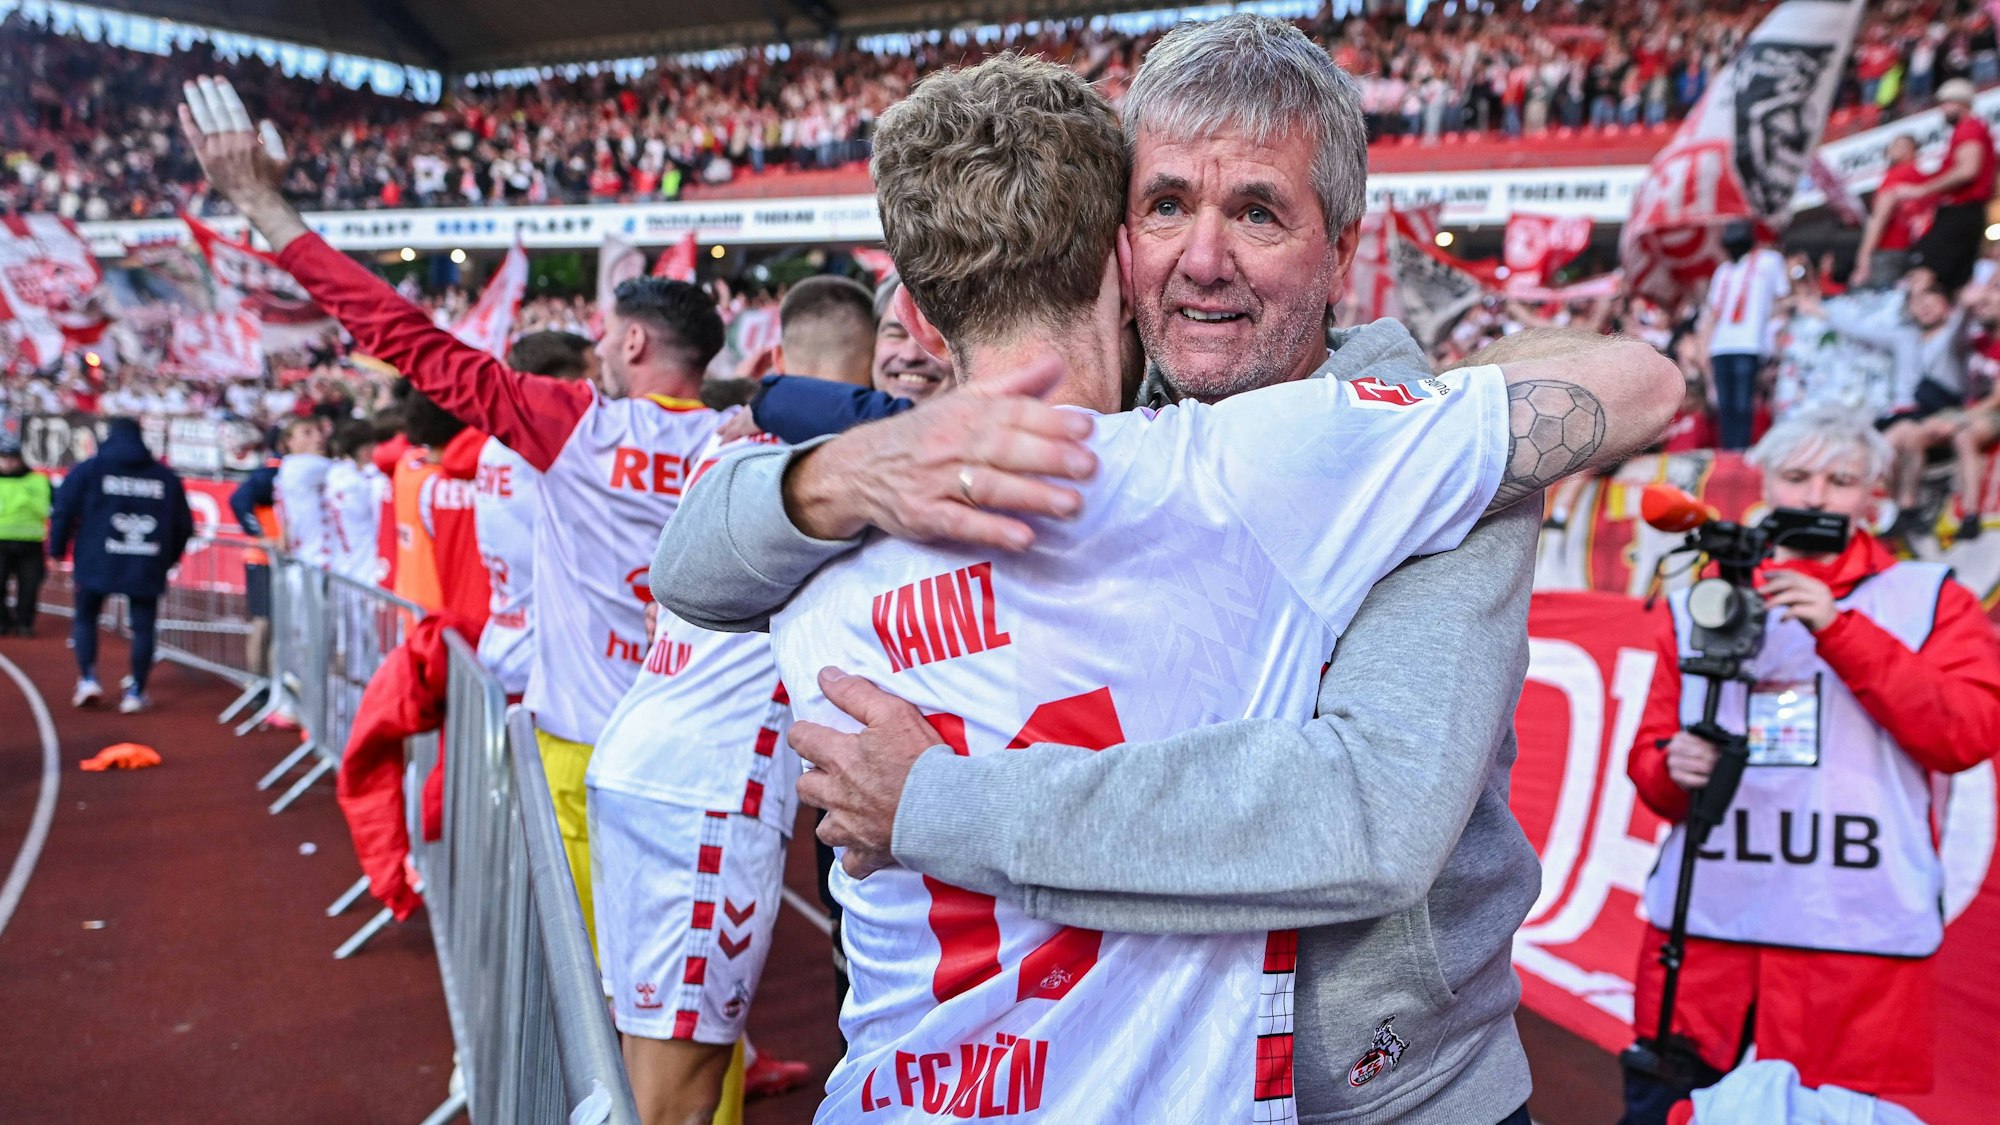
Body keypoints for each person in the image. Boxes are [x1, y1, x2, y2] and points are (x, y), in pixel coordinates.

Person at [658, 29, 1676, 1123]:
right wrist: (842, 476)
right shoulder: (1096, 436)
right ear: (1113, 245)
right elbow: (692, 564)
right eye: (1165, 205)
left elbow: (1368, 820)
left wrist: (937, 804)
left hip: (1389, 1101)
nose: (1201, 258)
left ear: (1340, 255)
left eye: (1255, 212)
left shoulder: (1430, 471)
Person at [178, 74, 728, 939]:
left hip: (584, 745)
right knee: (694, 992)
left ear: (629, 341)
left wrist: (263, 206)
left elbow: (402, 334)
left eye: (597, 335)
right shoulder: (749, 442)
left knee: (586, 983)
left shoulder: (570, 424)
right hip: (707, 753)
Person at [1619, 405, 2000, 1124]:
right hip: (1706, 946)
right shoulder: (1699, 597)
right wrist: (1675, 765)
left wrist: (1838, 628)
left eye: (1841, 478)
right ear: (1766, 484)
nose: (1817, 495)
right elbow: (1651, 763)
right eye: (1797, 475)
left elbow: (1967, 733)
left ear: (1873, 497)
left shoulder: (1929, 597)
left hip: (1852, 953)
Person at [585, 308, 866, 1121]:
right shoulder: (834, 467)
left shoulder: (725, 445)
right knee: (682, 1092)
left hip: (647, 757)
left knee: (643, 1062)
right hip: (708, 792)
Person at [461, 330, 595, 699]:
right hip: (543, 667)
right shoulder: (547, 448)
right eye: (589, 379)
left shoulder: (495, 444)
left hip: (508, 641)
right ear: (558, 385)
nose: (597, 393)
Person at [46, 417, 194, 712]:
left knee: (86, 617)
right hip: (147, 560)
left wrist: (57, 550)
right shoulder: (164, 477)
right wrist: (168, 559)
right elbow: (184, 525)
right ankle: (137, 691)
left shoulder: (89, 470)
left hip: (95, 559)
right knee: (143, 627)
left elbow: (63, 511)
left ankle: (88, 678)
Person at [1897, 78, 1998, 293]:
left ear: (1960, 102)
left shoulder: (1969, 127)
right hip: (1969, 213)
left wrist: (1921, 190)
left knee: (1922, 274)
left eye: (1945, 104)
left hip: (1960, 212)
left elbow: (1967, 170)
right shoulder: (1976, 128)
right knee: (1955, 282)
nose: (1941, 110)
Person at [1697, 219, 1789, 451]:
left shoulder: (1769, 261)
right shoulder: (1724, 271)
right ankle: (1728, 451)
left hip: (1750, 343)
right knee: (1725, 405)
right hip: (1721, 345)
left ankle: (1741, 450)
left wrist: (1776, 334)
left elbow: (1782, 297)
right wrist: (1703, 347)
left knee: (1742, 403)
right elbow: (1713, 313)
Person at [1853, 135, 1935, 291]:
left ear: (1911, 149)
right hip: (1917, 251)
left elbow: (1879, 218)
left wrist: (1863, 258)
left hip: (1889, 252)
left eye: (1897, 145)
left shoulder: (1895, 175)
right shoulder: (1925, 179)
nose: (1892, 150)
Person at [0, 435, 52, 636]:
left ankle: (24, 623)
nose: (7, 462)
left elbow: (43, 508)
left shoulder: (38, 480)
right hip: (1, 543)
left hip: (30, 544)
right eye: (3, 457)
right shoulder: (33, 484)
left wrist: (13, 503)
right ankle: (3, 621)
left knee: (30, 586)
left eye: (11, 457)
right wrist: (23, 500)